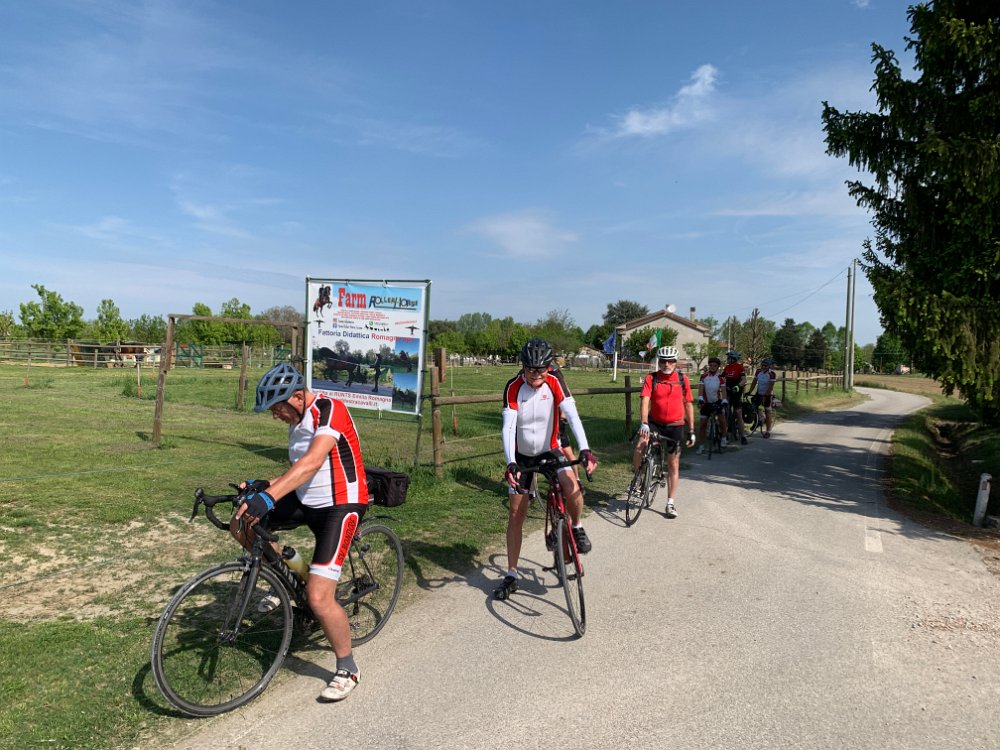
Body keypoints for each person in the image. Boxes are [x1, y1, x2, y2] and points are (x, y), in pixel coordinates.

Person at [234, 362, 369, 703]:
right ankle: (287, 575)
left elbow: (312, 462)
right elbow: (299, 470)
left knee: (320, 598)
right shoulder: (297, 422)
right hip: (309, 499)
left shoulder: (329, 409)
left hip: (341, 504)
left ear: (297, 397)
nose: (274, 416)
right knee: (243, 522)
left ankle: (348, 666)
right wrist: (264, 486)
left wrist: (270, 497)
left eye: (276, 408)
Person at [494, 339, 598, 600]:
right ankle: (512, 574)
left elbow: (572, 416)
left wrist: (585, 449)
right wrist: (510, 462)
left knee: (572, 488)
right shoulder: (513, 387)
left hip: (550, 450)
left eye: (541, 369)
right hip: (522, 456)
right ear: (523, 366)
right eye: (530, 369)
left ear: (549, 366)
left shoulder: (554, 381)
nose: (536, 374)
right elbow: (508, 427)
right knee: (516, 513)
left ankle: (576, 526)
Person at [632, 346, 696, 519]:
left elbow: (688, 404)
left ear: (676, 362)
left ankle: (670, 503)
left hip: (676, 425)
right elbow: (645, 401)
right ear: (658, 362)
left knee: (673, 464)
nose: (666, 364)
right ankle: (638, 479)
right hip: (654, 423)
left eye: (670, 361)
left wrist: (691, 430)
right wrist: (644, 423)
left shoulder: (683, 379)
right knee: (640, 446)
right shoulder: (652, 378)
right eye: (663, 361)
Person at [695, 356, 729, 454]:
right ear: (708, 366)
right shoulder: (704, 376)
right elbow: (701, 389)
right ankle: (701, 446)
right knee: (702, 425)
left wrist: (724, 400)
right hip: (706, 402)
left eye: (715, 366)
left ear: (718, 367)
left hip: (717, 401)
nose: (712, 367)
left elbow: (723, 391)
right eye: (711, 365)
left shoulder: (720, 378)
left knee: (722, 420)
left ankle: (723, 438)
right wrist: (700, 398)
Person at [722, 350, 749, 445]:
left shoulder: (739, 367)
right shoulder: (726, 367)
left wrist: (738, 386)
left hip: (736, 392)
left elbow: (744, 380)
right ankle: (727, 433)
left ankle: (743, 436)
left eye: (728, 358)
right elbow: (721, 377)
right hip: (728, 391)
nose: (727, 359)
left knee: (738, 413)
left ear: (733, 359)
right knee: (726, 412)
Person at [749, 357, 777, 438]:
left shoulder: (772, 374)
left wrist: (765, 395)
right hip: (759, 393)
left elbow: (771, 387)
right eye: (762, 365)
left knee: (768, 411)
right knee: (753, 407)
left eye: (765, 366)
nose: (763, 367)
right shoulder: (758, 372)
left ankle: (768, 431)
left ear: (769, 366)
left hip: (768, 394)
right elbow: (754, 382)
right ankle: (759, 420)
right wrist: (749, 391)